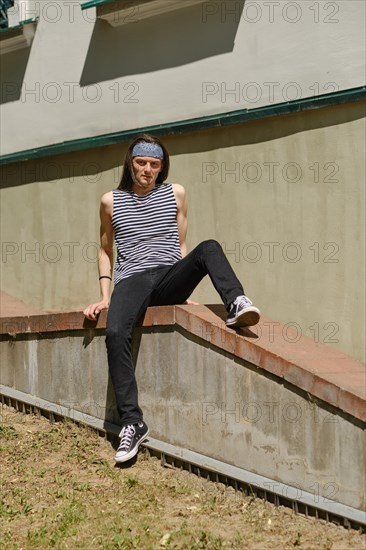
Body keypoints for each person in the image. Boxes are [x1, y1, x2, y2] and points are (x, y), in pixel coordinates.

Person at [83, 133, 260, 463]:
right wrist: (105, 296)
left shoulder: (176, 194)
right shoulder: (111, 201)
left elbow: (179, 248)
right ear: (130, 163)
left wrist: (181, 292)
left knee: (207, 247)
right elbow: (105, 250)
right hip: (131, 280)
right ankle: (133, 423)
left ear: (161, 167)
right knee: (116, 333)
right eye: (141, 163)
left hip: (166, 276)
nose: (147, 169)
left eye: (154, 164)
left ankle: (235, 302)